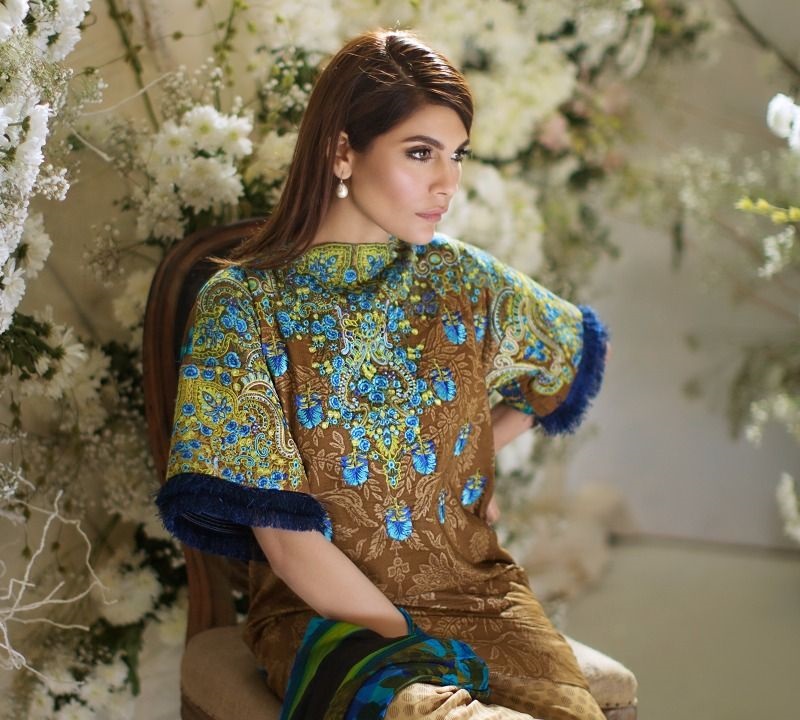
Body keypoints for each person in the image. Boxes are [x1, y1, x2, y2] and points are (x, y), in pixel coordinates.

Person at [156, 29, 609, 720]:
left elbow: (568, 350)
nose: (446, 182)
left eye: (457, 155)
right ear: (343, 150)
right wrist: (414, 649)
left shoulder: (460, 277)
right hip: (331, 620)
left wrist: (474, 450)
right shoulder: (245, 305)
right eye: (420, 153)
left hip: (480, 599)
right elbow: (289, 546)